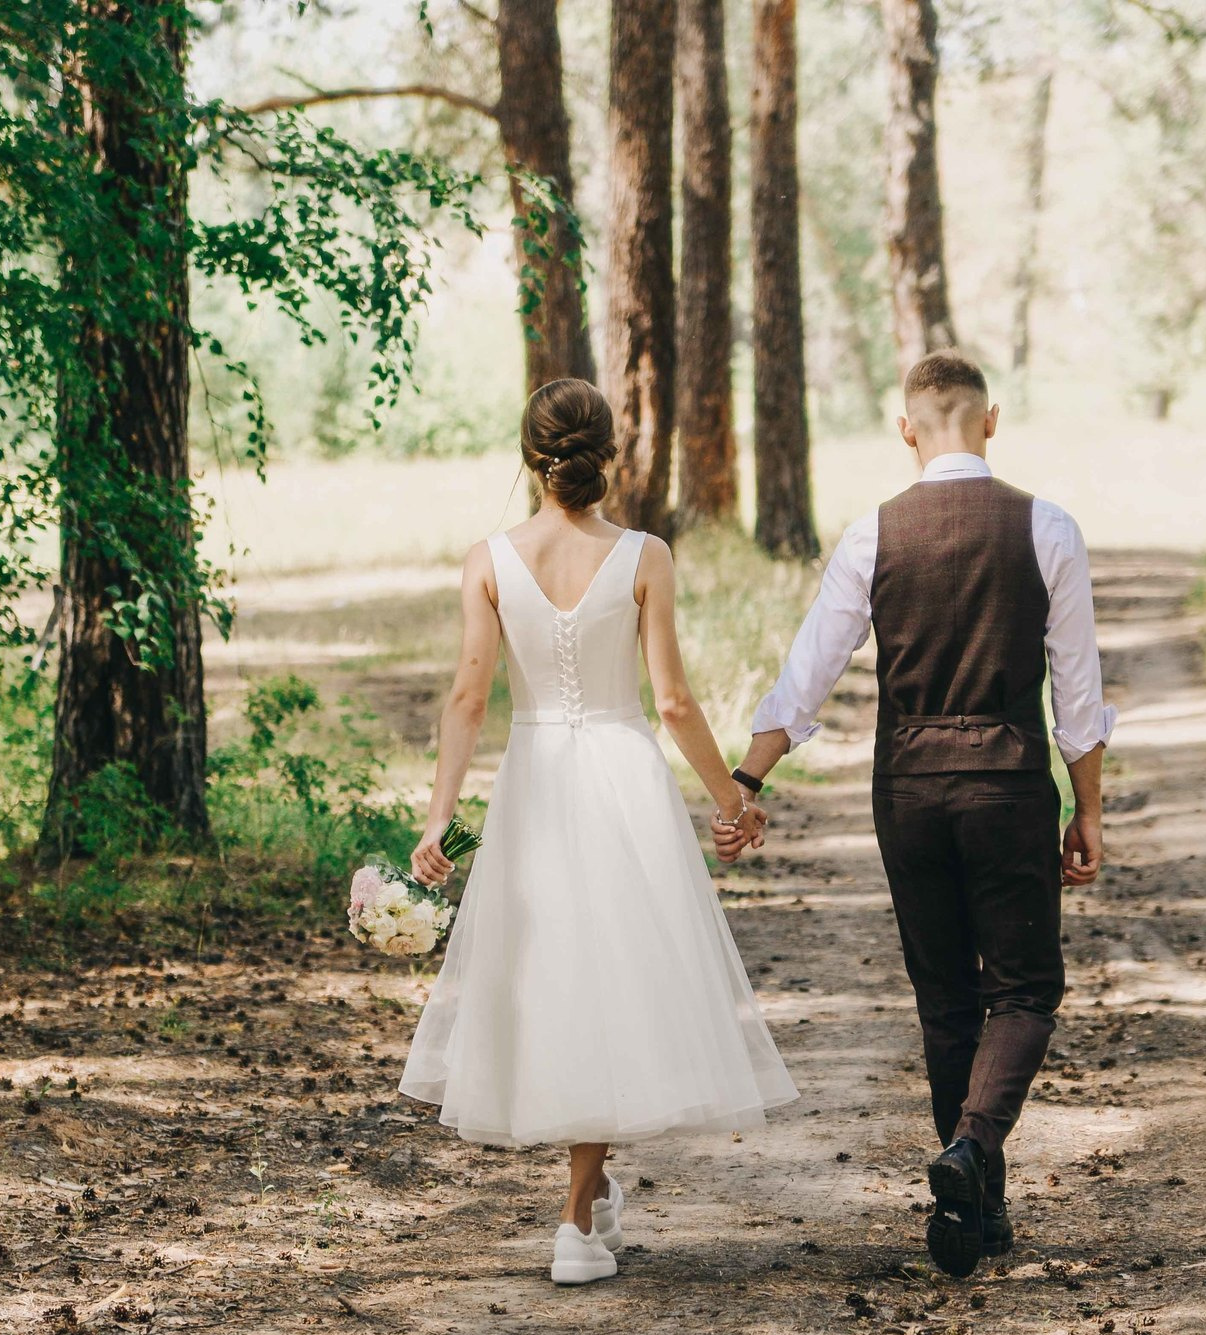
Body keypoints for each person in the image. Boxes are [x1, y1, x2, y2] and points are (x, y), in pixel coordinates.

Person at [399, 378, 798, 1285]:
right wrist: (730, 800)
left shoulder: (488, 560)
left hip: (535, 778)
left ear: (529, 456)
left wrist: (441, 816)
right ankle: (576, 1221)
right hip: (622, 775)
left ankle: (593, 1190)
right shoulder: (645, 555)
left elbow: (467, 698)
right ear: (608, 455)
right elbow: (674, 701)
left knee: (565, 982)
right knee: (611, 976)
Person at [726, 349, 1114, 1279]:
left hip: (906, 788)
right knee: (1024, 990)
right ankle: (973, 1149)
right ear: (990, 419)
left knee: (945, 997)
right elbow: (1078, 691)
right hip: (1008, 783)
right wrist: (1088, 808)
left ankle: (976, 1206)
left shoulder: (873, 534)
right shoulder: (1047, 527)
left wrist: (748, 779)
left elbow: (808, 672)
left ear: (907, 430)